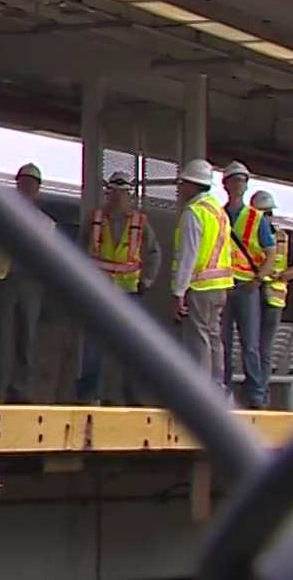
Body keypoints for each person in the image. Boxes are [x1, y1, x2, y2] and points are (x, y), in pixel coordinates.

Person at [75, 171, 160, 405]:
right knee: (94, 345)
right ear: (108, 193)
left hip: (129, 291)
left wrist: (147, 280)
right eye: (114, 192)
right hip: (98, 291)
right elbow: (79, 250)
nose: (118, 197)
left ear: (129, 195)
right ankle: (89, 394)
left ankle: (131, 394)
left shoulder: (139, 222)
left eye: (122, 193)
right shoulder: (95, 219)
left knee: (130, 345)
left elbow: (154, 253)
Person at [0, 163, 49, 403]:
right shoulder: (1, 216)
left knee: (26, 338)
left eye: (31, 184)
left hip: (31, 284)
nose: (27, 188)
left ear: (38, 189)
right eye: (23, 183)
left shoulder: (45, 223)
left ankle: (19, 390)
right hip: (4, 280)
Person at [169, 159, 234, 382]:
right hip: (220, 287)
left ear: (193, 184)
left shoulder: (194, 213)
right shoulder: (218, 211)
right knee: (214, 338)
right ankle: (217, 388)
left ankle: (201, 392)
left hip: (200, 287)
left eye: (183, 183)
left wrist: (179, 292)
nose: (180, 187)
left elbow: (189, 255)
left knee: (199, 339)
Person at [218, 160, 274, 408]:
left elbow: (270, 252)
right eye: (234, 180)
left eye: (241, 180)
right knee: (224, 342)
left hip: (246, 287)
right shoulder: (218, 215)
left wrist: (259, 279)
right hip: (224, 284)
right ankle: (225, 390)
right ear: (225, 184)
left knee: (250, 344)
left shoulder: (255, 218)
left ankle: (256, 394)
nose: (237, 185)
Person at [252, 190, 293, 382]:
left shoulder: (284, 237)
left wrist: (277, 276)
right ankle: (259, 391)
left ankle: (259, 391)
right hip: (267, 297)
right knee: (261, 348)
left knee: (258, 348)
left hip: (261, 296)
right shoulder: (284, 237)